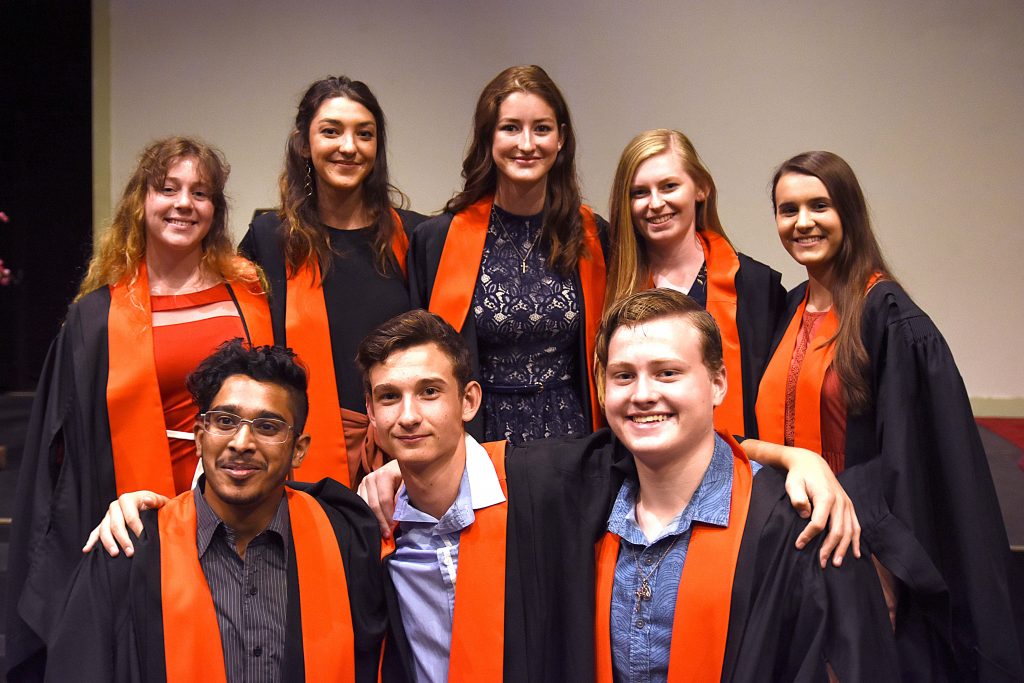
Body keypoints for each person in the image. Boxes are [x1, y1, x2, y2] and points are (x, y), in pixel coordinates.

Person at [506, 289, 898, 681]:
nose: (643, 395)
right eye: (624, 376)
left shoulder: (795, 524)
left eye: (667, 373)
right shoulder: (586, 499)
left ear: (718, 383)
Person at [6, 137, 273, 682]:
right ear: (140, 202)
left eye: (200, 193)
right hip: (137, 510)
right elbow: (61, 457)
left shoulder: (249, 296)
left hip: (245, 500)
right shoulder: (96, 317)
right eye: (167, 188)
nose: (183, 204)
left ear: (215, 211)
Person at [753, 151, 1022, 681]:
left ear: (848, 212)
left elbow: (913, 463)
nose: (802, 222)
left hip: (857, 557)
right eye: (788, 210)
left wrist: (886, 571)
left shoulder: (888, 318)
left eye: (819, 205)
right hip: (786, 551)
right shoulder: (787, 310)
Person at [44, 341, 386, 682]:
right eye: (225, 421)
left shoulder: (346, 540)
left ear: (298, 450)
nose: (241, 442)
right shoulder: (131, 551)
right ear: (198, 437)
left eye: (267, 427)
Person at [239, 76, 427, 488]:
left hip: (404, 454)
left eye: (364, 134)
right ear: (304, 143)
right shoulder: (269, 240)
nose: (348, 146)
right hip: (302, 456)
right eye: (331, 131)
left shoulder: (416, 238)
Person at [409, 64, 607, 444]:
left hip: (575, 436)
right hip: (478, 436)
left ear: (561, 138)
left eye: (542, 128)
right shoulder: (437, 240)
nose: (527, 144)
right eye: (511, 127)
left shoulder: (594, 236)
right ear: (489, 137)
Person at [605, 129, 785, 437]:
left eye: (669, 186)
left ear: (700, 188)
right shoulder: (611, 283)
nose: (655, 203)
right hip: (640, 467)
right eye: (639, 192)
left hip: (739, 468)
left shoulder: (755, 287)